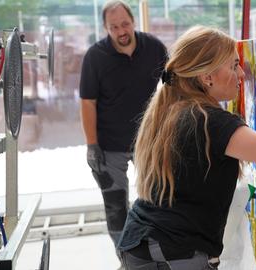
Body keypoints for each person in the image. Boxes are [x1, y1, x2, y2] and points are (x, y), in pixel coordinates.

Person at [117, 25, 256, 270]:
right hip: (168, 252)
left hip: (142, 241)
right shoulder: (208, 120)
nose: (242, 74)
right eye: (234, 65)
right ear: (207, 76)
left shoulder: (176, 108)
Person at [78, 0, 167, 262]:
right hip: (109, 146)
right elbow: (87, 103)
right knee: (116, 209)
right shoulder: (95, 56)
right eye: (114, 26)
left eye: (125, 24)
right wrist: (91, 144)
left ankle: (158, 256)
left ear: (133, 22)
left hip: (148, 141)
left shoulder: (153, 47)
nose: (121, 31)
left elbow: (172, 83)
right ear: (106, 28)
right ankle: (129, 262)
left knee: (158, 199)